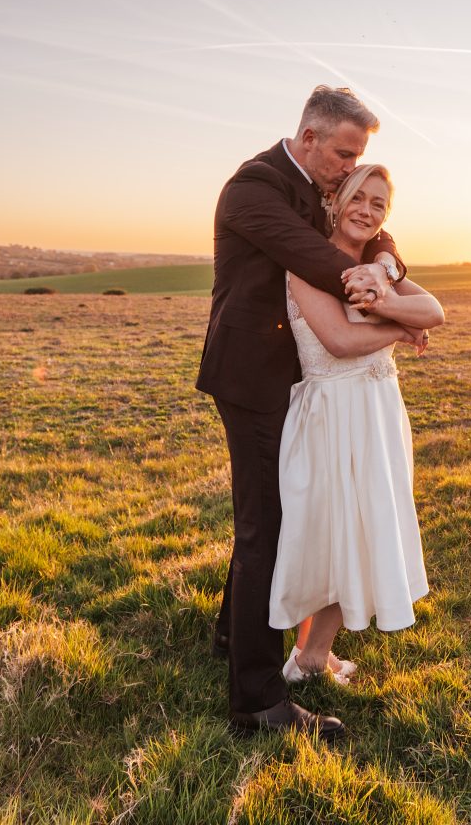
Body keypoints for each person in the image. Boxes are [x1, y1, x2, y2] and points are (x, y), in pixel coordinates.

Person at [196, 86, 416, 739]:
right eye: (344, 153)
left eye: (360, 157)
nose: (351, 168)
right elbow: (313, 256)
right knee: (267, 523)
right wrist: (385, 299)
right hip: (251, 377)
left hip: (294, 380)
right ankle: (259, 705)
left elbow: (378, 234)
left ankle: (231, 640)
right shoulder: (254, 187)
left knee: (268, 516)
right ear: (309, 137)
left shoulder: (324, 187)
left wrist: (385, 261)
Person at [268, 164, 444, 678]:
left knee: (360, 529)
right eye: (358, 198)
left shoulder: (376, 265)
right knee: (329, 532)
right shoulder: (307, 262)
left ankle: (312, 656)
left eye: (379, 206)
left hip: (376, 410)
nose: (366, 212)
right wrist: (398, 330)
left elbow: (434, 310)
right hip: (331, 412)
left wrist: (389, 296)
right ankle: (309, 656)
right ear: (336, 199)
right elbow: (340, 342)